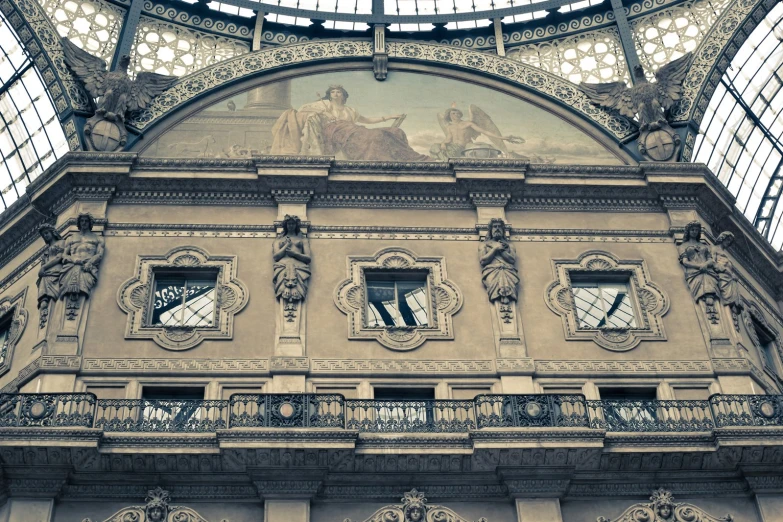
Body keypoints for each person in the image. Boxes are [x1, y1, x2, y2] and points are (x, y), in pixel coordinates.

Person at [270, 85, 429, 161]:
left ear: (343, 95)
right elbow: (303, 110)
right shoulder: (323, 105)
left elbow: (367, 120)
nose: (335, 93)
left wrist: (389, 117)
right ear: (329, 95)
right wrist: (315, 114)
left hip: (354, 130)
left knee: (391, 132)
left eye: (338, 91)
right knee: (375, 137)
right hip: (337, 133)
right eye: (333, 92)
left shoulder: (350, 110)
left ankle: (406, 158)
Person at [430, 106, 522, 160]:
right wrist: (443, 143)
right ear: (449, 116)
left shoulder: (468, 123)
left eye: (457, 113)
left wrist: (502, 138)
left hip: (465, 147)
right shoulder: (449, 127)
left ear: (460, 115)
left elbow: (485, 131)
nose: (455, 115)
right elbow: (448, 138)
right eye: (453, 113)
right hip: (453, 147)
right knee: (434, 147)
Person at [59, 213, 105, 318]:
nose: (84, 223)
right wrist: (74, 259)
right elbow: (64, 254)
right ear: (79, 223)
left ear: (90, 223)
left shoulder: (98, 239)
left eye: (86, 221)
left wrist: (90, 263)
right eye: (82, 221)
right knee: (69, 289)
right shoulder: (71, 238)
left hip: (87, 267)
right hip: (71, 266)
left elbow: (99, 254)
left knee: (83, 288)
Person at [677, 221, 720, 306]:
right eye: (692, 230)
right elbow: (685, 262)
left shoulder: (704, 246)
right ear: (688, 231)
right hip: (694, 272)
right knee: (700, 288)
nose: (694, 232)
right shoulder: (683, 246)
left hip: (707, 271)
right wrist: (699, 266)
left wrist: (705, 264)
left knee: (710, 285)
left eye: (696, 230)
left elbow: (711, 260)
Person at [272, 215, 312, 306]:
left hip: (299, 267)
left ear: (296, 225)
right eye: (289, 224)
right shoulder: (279, 240)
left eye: (293, 224)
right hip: (282, 266)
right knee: (283, 289)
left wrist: (295, 254)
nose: (291, 226)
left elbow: (308, 258)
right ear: (285, 225)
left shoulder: (302, 240)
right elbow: (276, 257)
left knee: (298, 291)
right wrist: (286, 246)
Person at [479, 218, 519, 304]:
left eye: (499, 227)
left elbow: (512, 259)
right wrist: (495, 248)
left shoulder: (509, 245)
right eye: (494, 227)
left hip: (508, 271)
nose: (497, 228)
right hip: (492, 271)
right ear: (490, 230)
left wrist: (501, 249)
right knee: (496, 293)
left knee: (509, 292)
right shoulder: (484, 245)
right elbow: (483, 260)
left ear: (503, 230)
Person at [36, 224, 65, 326]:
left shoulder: (61, 243)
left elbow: (59, 257)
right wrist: (43, 268)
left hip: (56, 270)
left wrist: (44, 268)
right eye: (44, 235)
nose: (46, 236)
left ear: (52, 232)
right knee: (42, 281)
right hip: (46, 274)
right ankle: (44, 300)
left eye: (47, 233)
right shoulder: (46, 251)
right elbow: (43, 263)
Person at [713, 231, 741, 311]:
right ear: (722, 238)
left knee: (732, 304)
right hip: (722, 276)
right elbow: (713, 262)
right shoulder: (714, 248)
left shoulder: (725, 254)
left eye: (730, 241)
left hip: (729, 278)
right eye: (728, 239)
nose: (728, 242)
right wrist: (725, 270)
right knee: (725, 300)